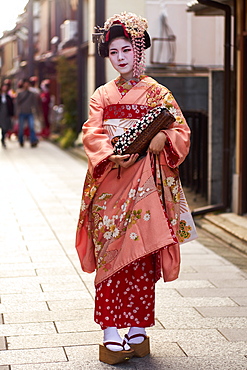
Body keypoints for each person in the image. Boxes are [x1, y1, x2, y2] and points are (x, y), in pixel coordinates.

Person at [76, 12, 196, 365]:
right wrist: (113, 154)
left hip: (146, 187)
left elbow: (181, 132)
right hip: (110, 182)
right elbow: (92, 133)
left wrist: (162, 135)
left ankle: (138, 328)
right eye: (114, 52)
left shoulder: (159, 93)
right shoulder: (102, 95)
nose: (121, 57)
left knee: (141, 256)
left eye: (127, 49)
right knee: (111, 254)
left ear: (139, 49)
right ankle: (111, 330)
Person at [16, 78, 39, 147]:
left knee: (31, 127)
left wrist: (37, 112)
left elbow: (35, 104)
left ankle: (33, 141)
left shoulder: (32, 94)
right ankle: (21, 140)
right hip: (22, 112)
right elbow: (17, 104)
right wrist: (16, 113)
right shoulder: (19, 93)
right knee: (21, 128)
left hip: (30, 112)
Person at [0, 84, 14, 148]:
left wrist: (12, 114)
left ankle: (3, 138)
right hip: (0, 113)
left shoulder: (8, 97)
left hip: (6, 114)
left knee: (5, 127)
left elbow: (11, 106)